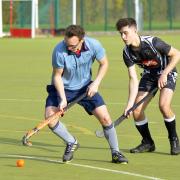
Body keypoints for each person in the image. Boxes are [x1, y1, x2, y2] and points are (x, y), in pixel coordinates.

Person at [45, 24, 128, 164]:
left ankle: (116, 153)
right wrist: (63, 99)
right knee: (50, 119)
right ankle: (71, 142)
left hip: (85, 87)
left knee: (106, 118)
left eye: (72, 45)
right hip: (63, 88)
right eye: (66, 43)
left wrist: (96, 83)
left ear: (81, 40)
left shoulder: (93, 45)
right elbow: (57, 76)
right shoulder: (59, 50)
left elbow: (104, 64)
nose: (68, 47)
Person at [115, 18, 180, 155]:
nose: (123, 37)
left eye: (125, 33)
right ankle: (148, 142)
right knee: (137, 110)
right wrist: (129, 104)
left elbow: (176, 54)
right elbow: (133, 79)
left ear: (135, 30)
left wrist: (164, 74)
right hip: (149, 76)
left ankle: (174, 139)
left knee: (164, 106)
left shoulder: (153, 42)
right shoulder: (127, 52)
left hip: (167, 72)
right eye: (120, 33)